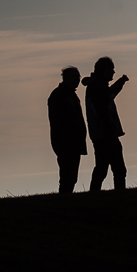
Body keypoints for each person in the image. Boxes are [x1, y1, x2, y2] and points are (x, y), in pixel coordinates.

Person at [82, 56, 129, 191]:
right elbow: (103, 105)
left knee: (103, 168)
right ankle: (118, 194)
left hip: (101, 134)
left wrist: (120, 82)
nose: (113, 72)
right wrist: (109, 128)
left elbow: (108, 95)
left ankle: (95, 194)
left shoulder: (96, 86)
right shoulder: (97, 87)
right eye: (111, 70)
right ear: (104, 71)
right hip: (105, 134)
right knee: (117, 168)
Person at [47, 66, 87, 194]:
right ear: (67, 78)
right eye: (75, 77)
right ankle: (64, 199)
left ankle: (65, 198)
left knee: (71, 176)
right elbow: (58, 121)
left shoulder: (70, 95)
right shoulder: (58, 95)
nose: (78, 80)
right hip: (65, 142)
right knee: (67, 175)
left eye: (78, 77)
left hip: (73, 142)